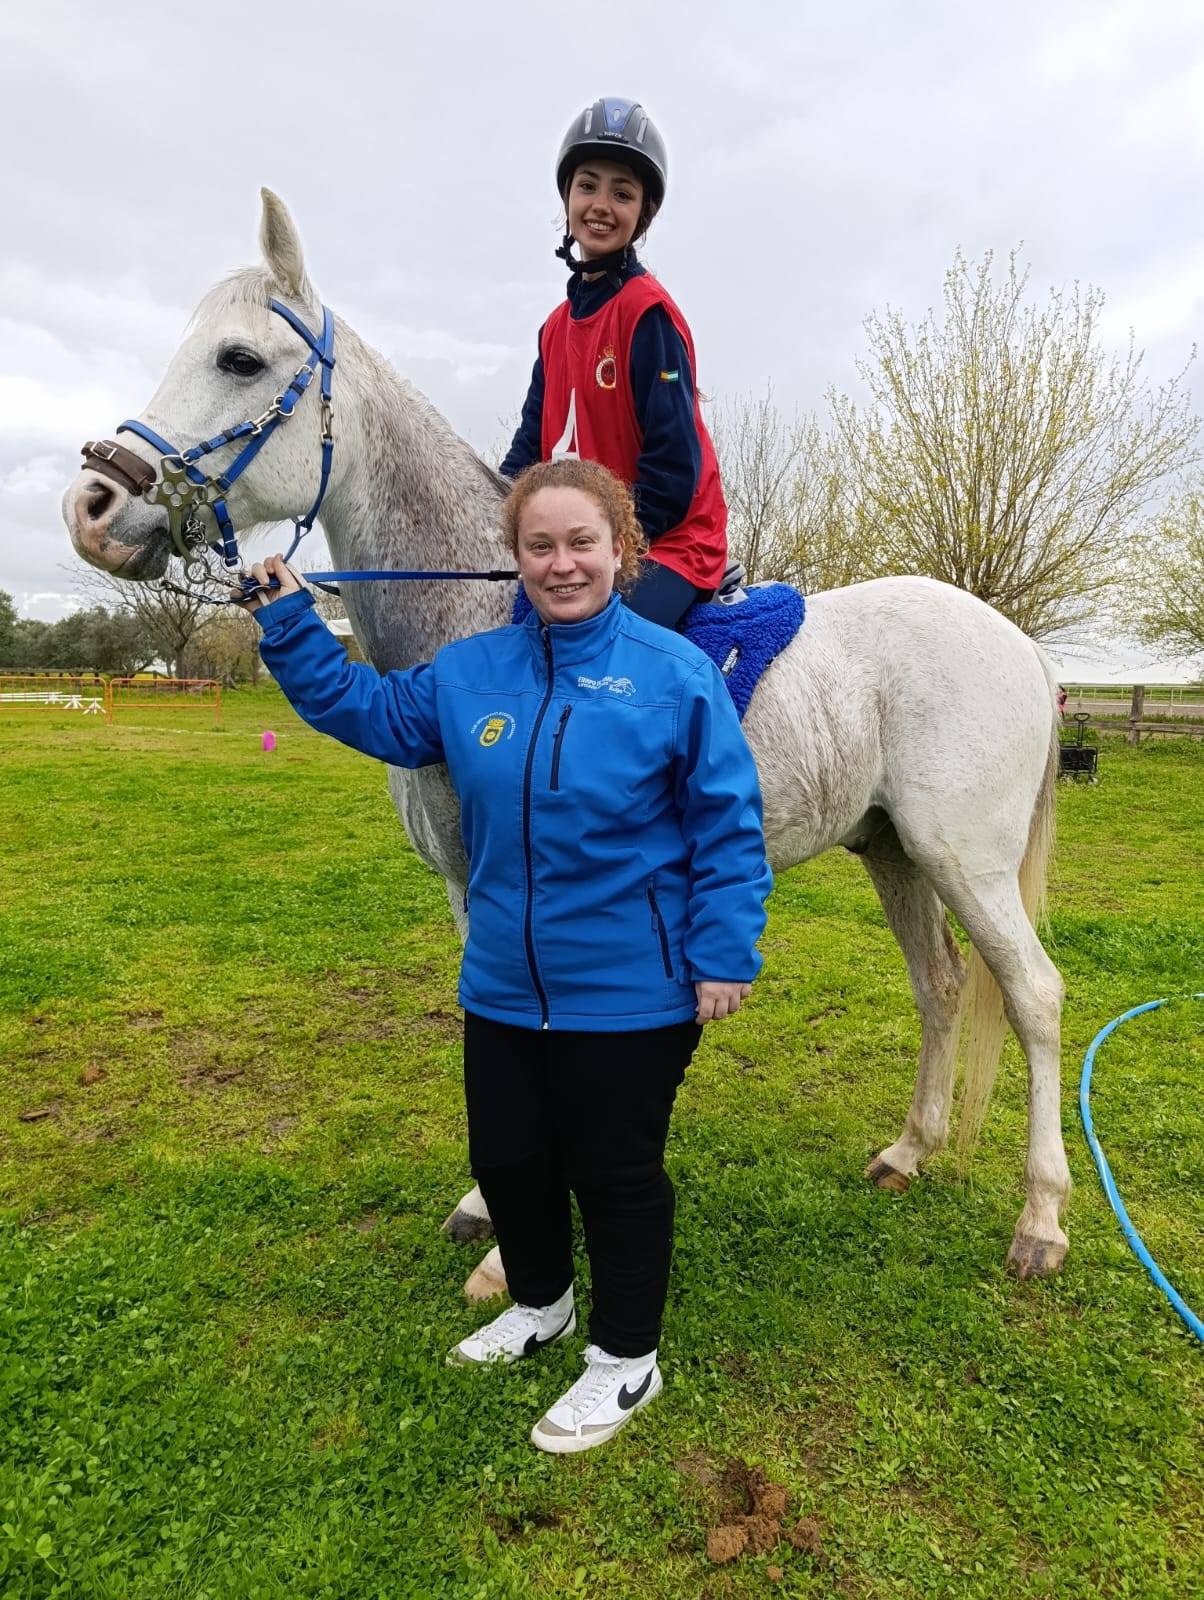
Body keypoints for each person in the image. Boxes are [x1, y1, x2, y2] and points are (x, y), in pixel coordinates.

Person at [243, 459, 771, 1454]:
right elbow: (368, 712)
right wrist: (289, 622)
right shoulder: (470, 670)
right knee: (509, 1159)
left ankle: (626, 1358)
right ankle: (540, 1303)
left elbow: (727, 825)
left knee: (612, 1172)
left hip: (632, 990)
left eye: (581, 542)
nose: (561, 563)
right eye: (540, 545)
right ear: (515, 556)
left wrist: (723, 953)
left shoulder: (674, 675)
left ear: (620, 549)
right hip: (502, 986)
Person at [501, 97, 729, 632]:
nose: (601, 205)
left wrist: (608, 547)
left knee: (597, 645)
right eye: (589, 186)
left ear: (641, 214)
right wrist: (497, 520)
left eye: (622, 193)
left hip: (669, 543)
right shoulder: (554, 329)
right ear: (567, 197)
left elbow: (672, 471)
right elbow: (527, 452)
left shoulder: (648, 314)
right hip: (584, 544)